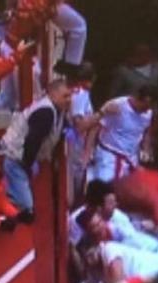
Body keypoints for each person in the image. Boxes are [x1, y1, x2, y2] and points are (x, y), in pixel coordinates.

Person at [0, 79, 71, 216]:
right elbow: (32, 141)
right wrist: (29, 164)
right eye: (65, 96)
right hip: (14, 158)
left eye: (69, 96)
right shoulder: (45, 112)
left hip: (22, 159)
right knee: (25, 206)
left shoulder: (57, 110)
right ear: (53, 94)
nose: (68, 100)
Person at [86, 85, 155, 183]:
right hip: (109, 157)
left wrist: (146, 149)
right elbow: (96, 127)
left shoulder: (148, 113)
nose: (146, 110)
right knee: (106, 188)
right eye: (144, 106)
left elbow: (146, 130)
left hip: (131, 158)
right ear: (138, 98)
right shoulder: (116, 106)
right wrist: (88, 152)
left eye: (149, 107)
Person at [68, 180, 158, 251]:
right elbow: (73, 250)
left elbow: (134, 240)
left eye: (115, 201)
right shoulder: (76, 221)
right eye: (111, 203)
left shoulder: (119, 217)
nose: (116, 205)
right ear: (99, 208)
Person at [64, 62, 99, 205]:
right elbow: (78, 124)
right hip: (74, 143)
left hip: (77, 143)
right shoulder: (80, 94)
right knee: (74, 184)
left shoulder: (77, 91)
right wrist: (99, 116)